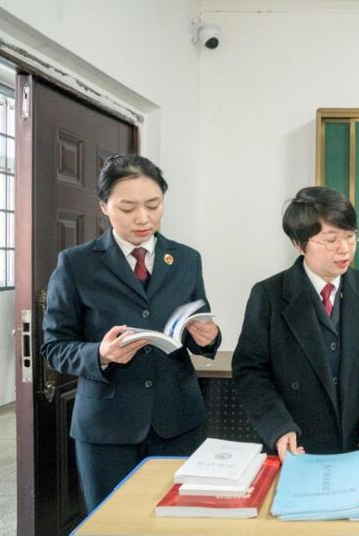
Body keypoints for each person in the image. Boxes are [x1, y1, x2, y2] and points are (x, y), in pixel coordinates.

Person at [40, 154, 221, 511]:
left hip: (179, 421)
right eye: (128, 207)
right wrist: (100, 354)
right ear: (104, 206)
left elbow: (193, 324)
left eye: (153, 205)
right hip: (107, 428)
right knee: (113, 522)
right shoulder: (76, 264)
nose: (143, 218)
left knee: (179, 523)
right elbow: (55, 347)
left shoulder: (186, 259)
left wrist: (208, 337)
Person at [233, 186, 359, 461]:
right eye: (331, 240)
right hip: (299, 446)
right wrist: (278, 427)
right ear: (298, 243)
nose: (344, 249)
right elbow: (251, 373)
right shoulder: (269, 295)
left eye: (350, 236)